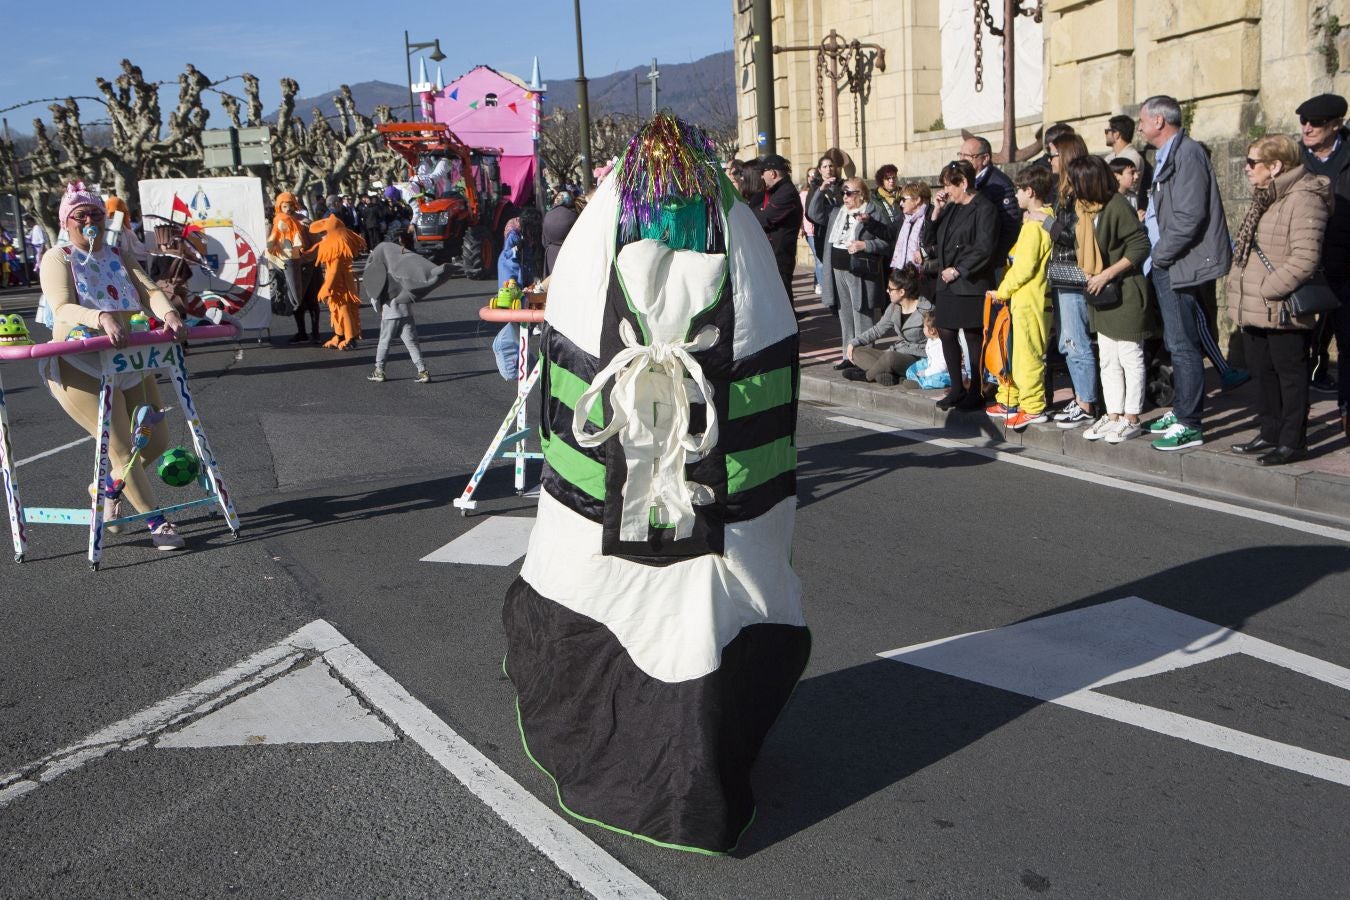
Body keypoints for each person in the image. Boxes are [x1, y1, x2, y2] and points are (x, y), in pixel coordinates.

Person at [503, 114, 807, 855]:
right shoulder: (738, 239)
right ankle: (708, 759)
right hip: (723, 509)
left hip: (615, 513)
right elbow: (772, 347)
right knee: (709, 607)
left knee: (630, 597)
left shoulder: (594, 236)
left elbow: (564, 356)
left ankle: (619, 756)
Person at [38, 183, 189, 550]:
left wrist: (168, 313)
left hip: (127, 358)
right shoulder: (58, 258)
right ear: (67, 222)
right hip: (80, 363)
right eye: (80, 215)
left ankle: (108, 488)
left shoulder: (118, 254)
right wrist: (101, 316)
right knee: (122, 449)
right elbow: (61, 308)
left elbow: (148, 289)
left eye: (95, 214)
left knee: (157, 440)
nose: (89, 220)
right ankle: (158, 522)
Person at [1226, 134, 1332, 466]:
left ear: (1275, 166)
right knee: (1263, 371)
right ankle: (1270, 432)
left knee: (1290, 375)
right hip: (1257, 305)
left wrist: (1269, 289)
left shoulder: (1303, 198)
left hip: (1282, 305)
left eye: (1253, 162)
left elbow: (1305, 258)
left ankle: (1292, 442)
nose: (1246, 168)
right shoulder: (1267, 196)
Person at [1138, 94, 1233, 451]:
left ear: (1160, 122)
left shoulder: (1188, 153)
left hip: (1177, 263)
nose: (1141, 127)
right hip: (1168, 261)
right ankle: (1181, 412)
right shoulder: (1167, 155)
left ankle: (1190, 422)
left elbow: (1189, 216)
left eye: (1144, 120)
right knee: (1177, 343)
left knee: (1183, 344)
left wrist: (1160, 255)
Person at [1064, 155, 1155, 444]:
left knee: (1130, 356)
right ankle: (1114, 415)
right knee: (1108, 358)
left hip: (1124, 292)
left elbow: (1140, 246)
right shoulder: (1086, 210)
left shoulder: (1116, 206)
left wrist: (1106, 274)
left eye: (1077, 182)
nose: (1072, 188)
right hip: (1102, 296)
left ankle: (1132, 417)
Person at [922, 159, 1000, 410]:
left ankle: (976, 390)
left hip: (969, 283)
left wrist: (959, 270)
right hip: (946, 284)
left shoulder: (984, 208)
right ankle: (957, 387)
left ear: (964, 183)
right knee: (945, 332)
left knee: (974, 337)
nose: (946, 191)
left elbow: (984, 248)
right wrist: (935, 211)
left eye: (949, 186)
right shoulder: (951, 208)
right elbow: (929, 240)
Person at [1296, 92, 1350, 438]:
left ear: (1336, 124)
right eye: (1303, 121)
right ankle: (1295, 422)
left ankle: (1347, 409)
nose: (1307, 128)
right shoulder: (1294, 157)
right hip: (1305, 266)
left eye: (1315, 123)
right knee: (1297, 346)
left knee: (1348, 343)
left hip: (1346, 263)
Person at [988, 166, 1056, 431]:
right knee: (1019, 353)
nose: (1015, 194)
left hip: (1029, 299)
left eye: (1018, 189)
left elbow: (1023, 267)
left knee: (1026, 356)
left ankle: (1033, 406)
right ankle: (1020, 401)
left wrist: (1002, 291)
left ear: (1030, 191)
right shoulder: (1042, 220)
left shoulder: (1034, 227)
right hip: (1032, 298)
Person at [1046, 132, 1100, 428]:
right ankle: (1082, 398)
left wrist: (1045, 223)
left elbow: (1075, 237)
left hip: (1073, 274)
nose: (1049, 161)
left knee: (1075, 340)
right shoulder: (1064, 192)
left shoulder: (1078, 193)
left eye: (1052, 155)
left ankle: (1086, 402)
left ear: (1065, 157)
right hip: (1062, 274)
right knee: (1069, 341)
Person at [810, 176, 889, 369]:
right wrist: (821, 190)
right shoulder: (837, 211)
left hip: (860, 270)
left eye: (849, 193)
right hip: (838, 269)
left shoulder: (874, 211)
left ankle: (865, 358)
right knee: (845, 314)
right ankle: (848, 356)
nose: (844, 197)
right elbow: (813, 213)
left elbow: (888, 241)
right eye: (843, 193)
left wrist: (866, 244)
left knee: (862, 312)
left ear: (861, 195)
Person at [362, 241, 445, 384]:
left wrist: (378, 308)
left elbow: (375, 296)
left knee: (384, 343)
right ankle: (422, 371)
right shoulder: (399, 270)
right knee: (412, 343)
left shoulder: (381, 272)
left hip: (390, 314)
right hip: (406, 312)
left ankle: (379, 370)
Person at [844, 268, 932, 385]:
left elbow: (940, 336)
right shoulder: (894, 307)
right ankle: (886, 375)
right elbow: (877, 330)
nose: (887, 291)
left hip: (918, 357)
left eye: (890, 289)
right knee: (857, 352)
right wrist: (854, 342)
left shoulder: (926, 309)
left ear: (902, 292)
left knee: (890, 358)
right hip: (898, 351)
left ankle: (868, 376)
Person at [491, 208, 544, 380]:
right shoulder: (514, 233)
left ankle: (526, 358)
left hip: (523, 269)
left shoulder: (525, 232)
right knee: (517, 312)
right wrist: (516, 250)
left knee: (524, 318)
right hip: (512, 273)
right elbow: (508, 256)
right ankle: (519, 363)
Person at [308, 212, 366, 349]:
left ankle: (350, 338)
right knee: (336, 309)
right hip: (337, 283)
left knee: (344, 309)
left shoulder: (338, 248)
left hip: (341, 284)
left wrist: (325, 288)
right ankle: (339, 335)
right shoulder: (334, 245)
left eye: (325, 234)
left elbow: (334, 270)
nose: (322, 237)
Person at [267, 191, 318, 343]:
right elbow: (273, 242)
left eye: (290, 206)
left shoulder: (304, 220)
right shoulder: (277, 221)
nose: (288, 209)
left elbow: (316, 242)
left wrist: (305, 257)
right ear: (280, 207)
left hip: (309, 266)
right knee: (297, 301)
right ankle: (301, 332)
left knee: (312, 300)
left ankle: (315, 333)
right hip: (290, 266)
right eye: (284, 206)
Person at [754, 154, 804, 304]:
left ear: (772, 173)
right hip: (773, 252)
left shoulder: (786, 192)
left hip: (780, 255)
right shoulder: (776, 191)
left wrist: (756, 213)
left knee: (782, 300)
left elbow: (764, 219)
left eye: (762, 173)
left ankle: (791, 328)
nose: (762, 177)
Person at [958, 135, 1019, 257]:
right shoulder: (964, 181)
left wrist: (991, 259)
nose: (961, 160)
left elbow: (1010, 227)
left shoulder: (1000, 184)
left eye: (967, 156)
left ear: (985, 158)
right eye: (960, 154)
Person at [804, 155, 844, 297]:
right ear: (820, 170)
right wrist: (822, 191)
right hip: (824, 233)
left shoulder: (843, 185)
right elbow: (810, 213)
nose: (828, 169)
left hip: (843, 235)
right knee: (826, 265)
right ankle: (829, 296)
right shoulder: (815, 187)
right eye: (825, 167)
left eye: (831, 166)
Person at [905, 310, 969, 390]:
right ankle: (915, 378)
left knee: (938, 379)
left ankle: (920, 383)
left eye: (924, 327)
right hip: (932, 364)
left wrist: (926, 372)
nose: (923, 329)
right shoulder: (931, 339)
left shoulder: (942, 344)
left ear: (932, 331)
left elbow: (941, 366)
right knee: (915, 367)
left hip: (946, 371)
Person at [888, 181, 931, 275]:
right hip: (904, 272)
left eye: (903, 199)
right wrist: (869, 222)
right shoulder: (905, 219)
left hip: (922, 274)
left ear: (917, 200)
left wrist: (924, 253)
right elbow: (887, 233)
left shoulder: (930, 217)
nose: (901, 204)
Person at [542, 188, 579, 275]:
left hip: (551, 255)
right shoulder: (573, 215)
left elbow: (544, 241)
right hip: (567, 253)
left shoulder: (548, 215)